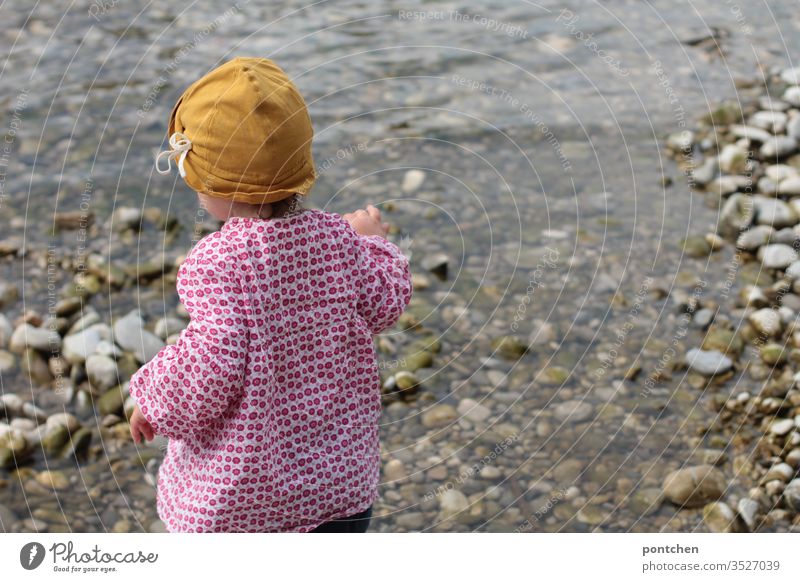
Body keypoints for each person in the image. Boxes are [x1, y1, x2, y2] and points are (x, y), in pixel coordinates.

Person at [127, 57, 413, 533]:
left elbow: (210, 360)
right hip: (337, 489)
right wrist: (373, 243)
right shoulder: (336, 241)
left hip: (243, 501)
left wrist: (156, 401)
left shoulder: (217, 264)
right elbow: (385, 300)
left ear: (209, 182)